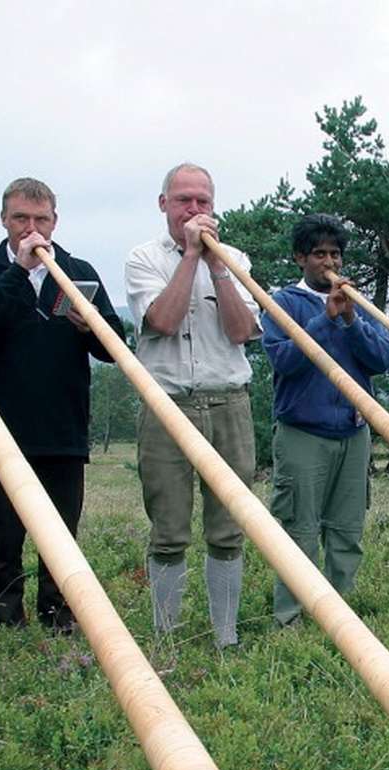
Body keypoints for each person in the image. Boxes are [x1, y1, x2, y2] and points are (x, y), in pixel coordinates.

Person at [0, 177, 122, 630]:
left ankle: (59, 613)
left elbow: (114, 348)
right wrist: (18, 273)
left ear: (55, 221)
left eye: (40, 219)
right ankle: (6, 616)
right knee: (4, 532)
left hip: (63, 427)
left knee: (62, 534)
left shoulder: (78, 271)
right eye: (21, 219)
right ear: (4, 221)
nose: (31, 228)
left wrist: (91, 326)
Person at [124, 163, 261, 647]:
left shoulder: (235, 258)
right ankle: (168, 635)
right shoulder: (143, 259)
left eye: (203, 201)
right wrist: (189, 255)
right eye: (184, 200)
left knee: (229, 525)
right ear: (164, 204)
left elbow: (244, 332)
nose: (195, 210)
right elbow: (160, 320)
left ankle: (225, 635)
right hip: (167, 406)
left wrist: (218, 266)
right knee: (169, 527)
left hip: (229, 403)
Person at [260, 213, 389, 625]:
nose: (329, 262)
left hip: (353, 432)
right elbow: (284, 360)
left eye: (335, 253)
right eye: (319, 254)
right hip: (303, 433)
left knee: (346, 530)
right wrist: (326, 319)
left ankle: (338, 618)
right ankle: (291, 617)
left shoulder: (359, 302)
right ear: (300, 258)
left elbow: (382, 359)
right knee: (299, 530)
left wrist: (352, 319)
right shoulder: (282, 303)